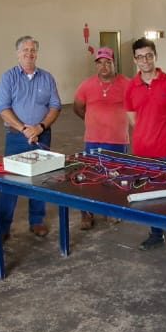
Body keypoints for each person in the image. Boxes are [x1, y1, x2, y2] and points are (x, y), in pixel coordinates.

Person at [125, 37, 166, 257]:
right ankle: (155, 234)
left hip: (165, 154)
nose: (145, 60)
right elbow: (133, 118)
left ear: (155, 56)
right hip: (141, 153)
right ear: (135, 59)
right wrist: (146, 134)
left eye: (149, 55)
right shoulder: (131, 87)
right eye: (140, 57)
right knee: (148, 196)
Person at [0, 36, 62, 240]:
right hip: (16, 137)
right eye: (25, 50)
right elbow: (2, 108)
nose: (29, 54)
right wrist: (24, 128)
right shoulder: (8, 78)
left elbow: (55, 106)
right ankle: (4, 225)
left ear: (37, 53)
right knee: (10, 182)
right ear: (17, 53)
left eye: (32, 50)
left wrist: (40, 127)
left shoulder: (47, 78)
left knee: (40, 179)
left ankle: (37, 221)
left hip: (42, 135)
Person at [73, 47, 130, 230]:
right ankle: (87, 214)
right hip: (93, 140)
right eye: (100, 63)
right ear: (96, 65)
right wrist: (92, 120)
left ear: (114, 63)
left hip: (118, 140)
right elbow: (78, 107)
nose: (104, 66)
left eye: (108, 62)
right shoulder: (86, 85)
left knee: (114, 177)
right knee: (90, 177)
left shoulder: (127, 84)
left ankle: (111, 211)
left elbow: (137, 107)